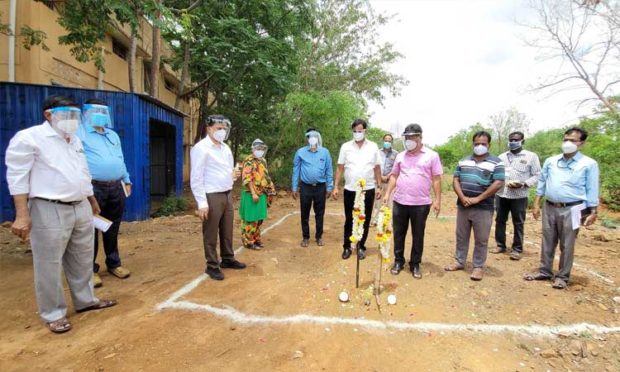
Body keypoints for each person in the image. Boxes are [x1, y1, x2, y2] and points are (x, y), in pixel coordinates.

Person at [5, 95, 117, 334]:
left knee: (82, 258)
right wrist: (22, 215)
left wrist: (91, 199)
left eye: (76, 116)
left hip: (80, 206)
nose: (73, 120)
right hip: (48, 207)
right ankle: (53, 313)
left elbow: (82, 171)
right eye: (68, 115)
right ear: (49, 115)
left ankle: (86, 301)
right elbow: (17, 177)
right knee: (49, 263)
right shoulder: (30, 138)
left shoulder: (73, 140)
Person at [524, 127, 599, 289]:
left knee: (567, 243)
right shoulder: (551, 161)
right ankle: (545, 271)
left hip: (574, 208)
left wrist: (593, 211)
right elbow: (542, 182)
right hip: (549, 206)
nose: (568, 143)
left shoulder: (588, 164)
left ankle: (563, 277)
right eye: (566, 139)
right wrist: (537, 203)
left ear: (582, 143)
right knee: (547, 240)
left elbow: (592, 188)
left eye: (573, 140)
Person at [77, 99, 132, 288]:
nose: (100, 114)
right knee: (89, 228)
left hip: (116, 186)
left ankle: (114, 263)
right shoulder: (80, 133)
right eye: (95, 111)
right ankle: (89, 270)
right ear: (86, 113)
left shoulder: (113, 135)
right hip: (93, 188)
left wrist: (126, 179)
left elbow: (120, 158)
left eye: (103, 111)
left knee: (112, 226)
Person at [190, 115, 246, 280]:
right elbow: (196, 177)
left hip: (227, 193)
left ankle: (228, 259)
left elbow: (229, 173)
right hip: (211, 195)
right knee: (211, 232)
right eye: (218, 128)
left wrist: (234, 175)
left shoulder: (225, 148)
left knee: (227, 229)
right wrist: (201, 202)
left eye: (223, 129)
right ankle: (212, 265)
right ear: (209, 129)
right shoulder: (201, 148)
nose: (222, 132)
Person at [383, 124, 443, 279]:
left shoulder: (431, 155)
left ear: (420, 138)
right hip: (400, 201)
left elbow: (436, 179)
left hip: (421, 204)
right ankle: (398, 261)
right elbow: (394, 176)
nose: (408, 140)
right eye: (406, 137)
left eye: (412, 137)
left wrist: (437, 200)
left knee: (418, 235)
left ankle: (415, 263)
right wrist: (388, 193)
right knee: (398, 233)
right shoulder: (400, 156)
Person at [444, 131, 505, 281]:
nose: (479, 146)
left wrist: (478, 198)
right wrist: (462, 197)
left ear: (488, 145)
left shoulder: (497, 162)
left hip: (484, 207)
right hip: (463, 205)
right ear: (473, 144)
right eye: (477, 143)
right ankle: (459, 261)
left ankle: (478, 267)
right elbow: (456, 180)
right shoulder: (464, 161)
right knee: (461, 236)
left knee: (481, 238)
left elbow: (498, 183)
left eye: (483, 144)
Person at [332, 119, 382, 260]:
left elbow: (377, 167)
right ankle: (347, 247)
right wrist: (336, 186)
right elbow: (340, 167)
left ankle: (361, 246)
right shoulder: (346, 147)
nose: (357, 133)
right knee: (349, 219)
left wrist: (379, 186)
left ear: (365, 130)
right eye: (355, 131)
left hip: (368, 189)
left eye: (360, 130)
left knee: (364, 219)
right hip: (350, 189)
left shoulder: (373, 147)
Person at [491, 131, 541, 261]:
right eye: (511, 140)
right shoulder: (501, 157)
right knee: (500, 220)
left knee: (518, 222)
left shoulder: (531, 156)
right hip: (502, 194)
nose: (513, 142)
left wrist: (524, 184)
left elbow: (537, 175)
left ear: (522, 141)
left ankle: (517, 249)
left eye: (516, 140)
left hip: (519, 195)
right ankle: (500, 245)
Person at [291, 129, 334, 247]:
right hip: (305, 187)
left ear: (318, 138)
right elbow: (296, 170)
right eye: (310, 136)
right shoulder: (300, 152)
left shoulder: (325, 152)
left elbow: (329, 170)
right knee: (304, 213)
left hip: (320, 187)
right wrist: (294, 187)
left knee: (319, 213)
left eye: (315, 136)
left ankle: (319, 237)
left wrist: (329, 187)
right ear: (307, 139)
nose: (312, 138)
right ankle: (305, 237)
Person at [239, 139, 276, 250]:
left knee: (259, 218)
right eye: (257, 148)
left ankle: (256, 239)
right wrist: (253, 193)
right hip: (251, 193)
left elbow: (265, 175)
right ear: (253, 149)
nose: (259, 151)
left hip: (262, 192)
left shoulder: (263, 160)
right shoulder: (248, 160)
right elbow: (247, 178)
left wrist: (271, 187)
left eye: (261, 149)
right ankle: (248, 241)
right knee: (250, 219)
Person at [373, 133, 399, 223]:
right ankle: (375, 220)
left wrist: (388, 176)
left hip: (390, 181)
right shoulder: (377, 152)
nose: (387, 142)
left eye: (389, 140)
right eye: (386, 140)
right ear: (383, 141)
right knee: (377, 201)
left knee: (389, 201)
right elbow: (375, 166)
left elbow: (396, 168)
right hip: (378, 181)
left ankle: (388, 221)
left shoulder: (396, 154)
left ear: (392, 142)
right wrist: (380, 177)